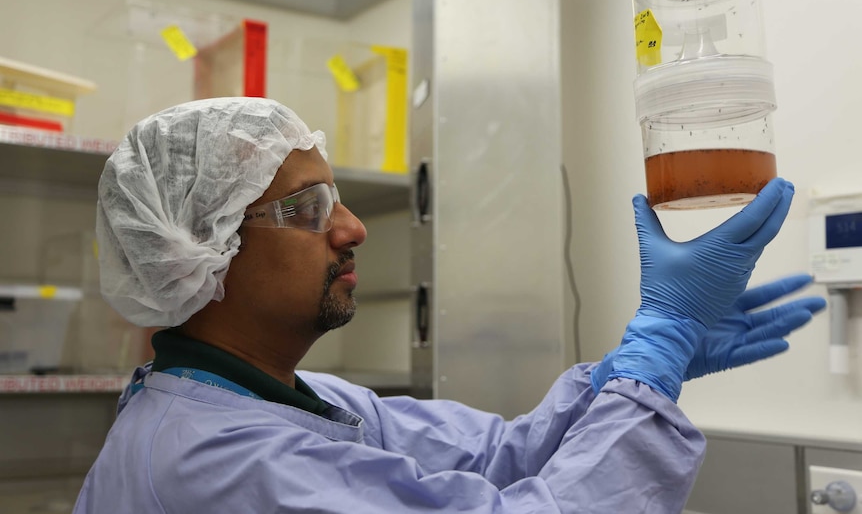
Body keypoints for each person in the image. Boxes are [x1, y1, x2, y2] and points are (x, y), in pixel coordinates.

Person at [73, 97, 825, 514]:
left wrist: (635, 365)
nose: (353, 227)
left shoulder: (294, 404)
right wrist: (660, 347)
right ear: (203, 248)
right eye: (307, 209)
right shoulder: (215, 462)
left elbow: (499, 458)